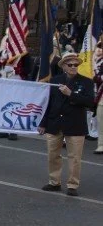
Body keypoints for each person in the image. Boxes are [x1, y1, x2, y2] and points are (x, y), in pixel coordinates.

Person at [38, 52, 95, 196]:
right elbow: (49, 103)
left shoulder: (86, 82)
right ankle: (54, 182)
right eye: (70, 64)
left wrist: (71, 94)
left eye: (76, 64)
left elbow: (89, 102)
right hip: (55, 122)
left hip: (75, 124)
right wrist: (43, 123)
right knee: (53, 154)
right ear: (63, 66)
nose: (73, 67)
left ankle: (72, 184)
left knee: (74, 157)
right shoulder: (56, 80)